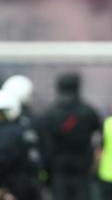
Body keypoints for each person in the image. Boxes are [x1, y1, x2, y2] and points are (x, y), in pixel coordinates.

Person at [41, 72, 101, 200]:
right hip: (82, 165)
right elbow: (97, 133)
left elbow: (45, 143)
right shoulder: (88, 111)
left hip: (58, 166)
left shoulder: (50, 113)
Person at [0, 89, 42, 200]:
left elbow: (1, 163)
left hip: (11, 190)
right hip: (26, 188)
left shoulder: (6, 133)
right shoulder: (24, 129)